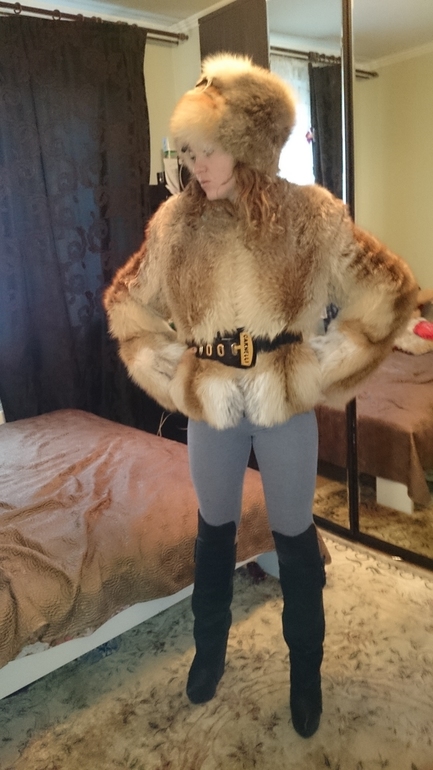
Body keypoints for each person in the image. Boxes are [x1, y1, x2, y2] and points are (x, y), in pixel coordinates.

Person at [103, 53, 417, 738]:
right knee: (213, 534)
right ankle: (208, 653)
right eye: (188, 152)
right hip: (211, 404)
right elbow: (127, 304)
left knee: (295, 537)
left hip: (281, 403)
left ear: (248, 143)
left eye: (208, 149)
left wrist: (322, 366)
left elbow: (389, 291)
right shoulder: (174, 223)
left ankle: (306, 672)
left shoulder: (312, 215)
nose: (196, 165)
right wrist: (169, 371)